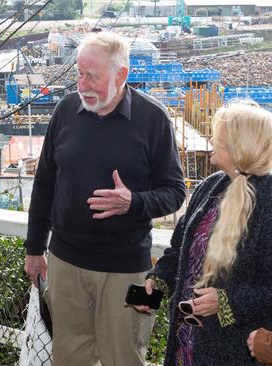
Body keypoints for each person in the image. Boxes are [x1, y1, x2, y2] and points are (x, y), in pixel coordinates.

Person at [23, 31, 186, 366]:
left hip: (128, 268)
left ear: (122, 75)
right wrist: (34, 248)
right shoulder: (66, 110)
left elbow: (175, 192)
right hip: (65, 263)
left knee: (126, 357)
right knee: (67, 358)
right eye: (79, 74)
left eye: (92, 77)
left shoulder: (154, 118)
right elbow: (44, 184)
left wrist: (134, 202)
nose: (82, 85)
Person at [138, 101, 272, 365]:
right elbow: (179, 249)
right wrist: (157, 282)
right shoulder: (210, 187)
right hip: (186, 343)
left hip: (236, 350)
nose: (211, 139)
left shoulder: (268, 199)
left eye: (218, 136)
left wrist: (227, 301)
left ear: (237, 145)